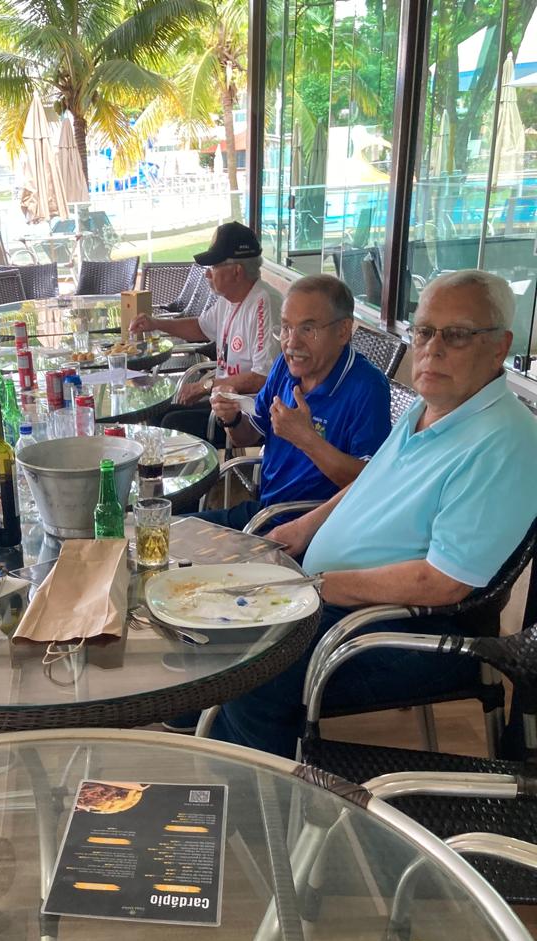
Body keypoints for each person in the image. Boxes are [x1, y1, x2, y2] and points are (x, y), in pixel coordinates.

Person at [208, 269, 537, 758]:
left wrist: (318, 586)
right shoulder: (428, 409)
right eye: (424, 332)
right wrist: (304, 527)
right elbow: (367, 479)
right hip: (342, 600)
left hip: (408, 631)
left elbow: (442, 584)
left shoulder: (506, 441)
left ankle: (263, 795)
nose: (432, 349)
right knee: (221, 619)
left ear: (500, 346)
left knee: (254, 665)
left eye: (457, 335)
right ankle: (216, 750)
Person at [202, 275, 391, 530]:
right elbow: (248, 436)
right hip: (265, 513)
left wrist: (306, 439)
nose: (291, 343)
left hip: (312, 532)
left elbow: (370, 484)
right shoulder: (285, 366)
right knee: (169, 529)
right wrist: (232, 418)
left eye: (307, 329)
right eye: (286, 328)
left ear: (343, 331)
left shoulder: (367, 387)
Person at [129, 222, 280, 440]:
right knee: (156, 412)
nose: (207, 274)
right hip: (222, 401)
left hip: (246, 414)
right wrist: (156, 323)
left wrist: (205, 385)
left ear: (237, 271)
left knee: (172, 424)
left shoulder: (264, 303)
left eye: (214, 266)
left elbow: (263, 377)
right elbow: (200, 327)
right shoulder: (229, 299)